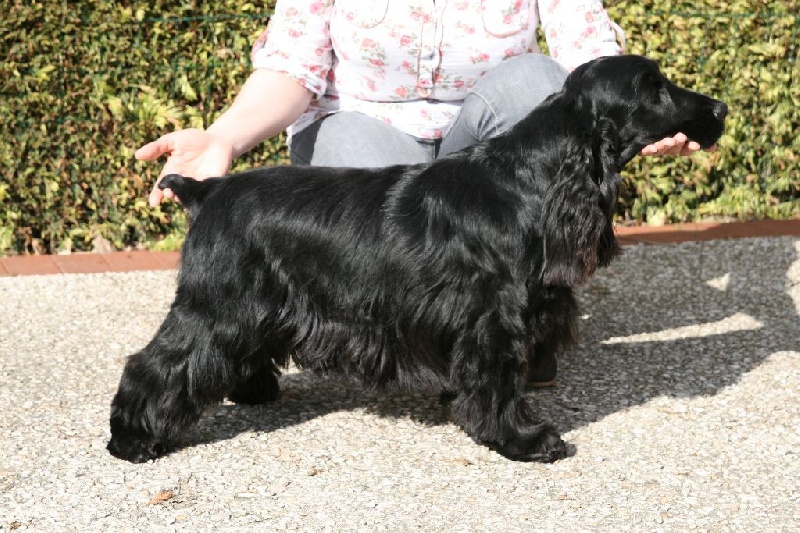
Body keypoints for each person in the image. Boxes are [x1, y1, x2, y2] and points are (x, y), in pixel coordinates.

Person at [136, 0, 713, 386]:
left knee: (537, 80)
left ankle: (513, 326)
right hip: (365, 136)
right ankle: (417, 339)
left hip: (484, 151)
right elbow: (291, 68)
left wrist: (646, 117)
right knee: (351, 164)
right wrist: (222, 138)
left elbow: (591, 61)